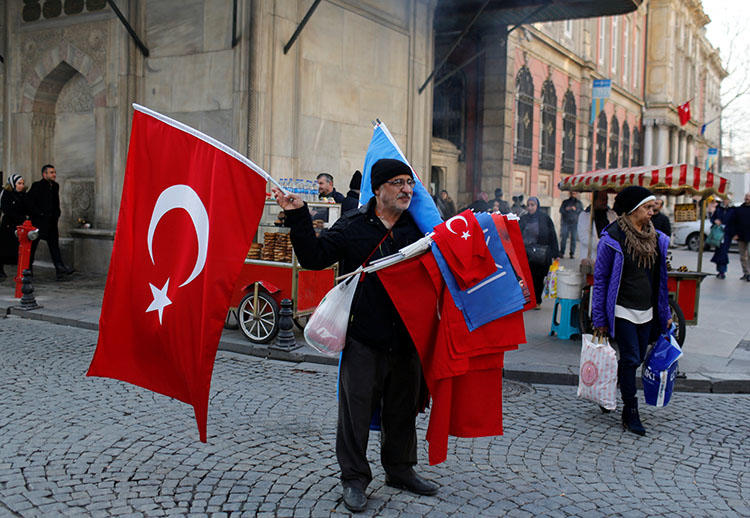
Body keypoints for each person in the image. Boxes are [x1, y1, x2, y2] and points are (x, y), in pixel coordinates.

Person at [272, 158, 437, 513]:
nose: (407, 190)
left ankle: (400, 469)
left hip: (407, 339)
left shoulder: (419, 229)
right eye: (397, 182)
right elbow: (315, 257)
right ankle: (354, 479)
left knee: (402, 410)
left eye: (409, 183)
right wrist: (300, 217)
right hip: (364, 338)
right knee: (355, 413)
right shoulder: (353, 226)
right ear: (378, 189)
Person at [591, 186, 671, 436]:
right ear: (634, 209)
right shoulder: (613, 237)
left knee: (633, 361)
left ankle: (610, 389)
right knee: (631, 359)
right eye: (648, 208)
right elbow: (601, 278)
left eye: (652, 208)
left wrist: (665, 311)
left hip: (646, 310)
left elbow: (661, 280)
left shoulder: (656, 238)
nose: (652, 212)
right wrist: (599, 317)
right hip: (621, 309)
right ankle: (630, 412)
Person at [27, 164, 74, 280]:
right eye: (51, 172)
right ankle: (27, 269)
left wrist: (57, 213)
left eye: (54, 172)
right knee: (32, 247)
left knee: (54, 247)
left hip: (51, 222)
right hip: (38, 223)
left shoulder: (55, 186)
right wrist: (39, 214)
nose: (54, 174)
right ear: (44, 174)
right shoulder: (37, 186)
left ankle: (60, 269)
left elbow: (55, 202)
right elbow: (29, 203)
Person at [519, 196, 559, 308]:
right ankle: (528, 299)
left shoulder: (545, 218)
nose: (530, 207)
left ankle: (537, 300)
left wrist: (556, 253)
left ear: (537, 206)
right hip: (527, 254)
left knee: (539, 278)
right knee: (527, 277)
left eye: (533, 205)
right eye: (529, 205)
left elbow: (552, 235)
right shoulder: (523, 219)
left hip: (541, 254)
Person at [1, 174, 32, 281]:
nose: (21, 186)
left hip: (20, 225)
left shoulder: (23, 195)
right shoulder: (6, 194)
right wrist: (21, 217)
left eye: (22, 183)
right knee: (5, 248)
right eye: (19, 183)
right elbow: (7, 210)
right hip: (9, 225)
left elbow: (28, 207)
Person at [577, 191, 617, 256]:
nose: (605, 202)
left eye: (606, 199)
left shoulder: (612, 214)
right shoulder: (585, 215)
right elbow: (584, 237)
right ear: (594, 200)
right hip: (592, 255)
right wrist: (602, 244)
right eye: (602, 199)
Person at [727, 192, 750, 281]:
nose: (747, 198)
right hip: (740, 236)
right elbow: (733, 223)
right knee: (742, 256)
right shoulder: (739, 209)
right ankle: (746, 273)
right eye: (746, 196)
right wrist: (734, 234)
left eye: (748, 197)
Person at [710, 197, 733, 279]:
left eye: (726, 199)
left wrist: (733, 232)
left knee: (723, 252)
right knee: (719, 251)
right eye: (724, 199)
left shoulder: (732, 209)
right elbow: (712, 218)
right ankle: (720, 270)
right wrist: (715, 221)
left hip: (727, 234)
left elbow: (735, 221)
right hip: (718, 234)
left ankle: (722, 271)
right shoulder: (719, 208)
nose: (725, 200)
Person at [559, 192, 583, 258]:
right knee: (564, 238)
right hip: (565, 222)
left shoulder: (579, 203)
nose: (573, 195)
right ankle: (561, 252)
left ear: (576, 194)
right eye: (572, 193)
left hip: (574, 223)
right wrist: (567, 209)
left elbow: (582, 212)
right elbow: (561, 210)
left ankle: (572, 253)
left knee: (573, 239)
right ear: (569, 194)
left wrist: (576, 209)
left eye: (575, 193)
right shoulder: (565, 202)